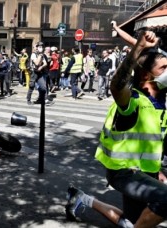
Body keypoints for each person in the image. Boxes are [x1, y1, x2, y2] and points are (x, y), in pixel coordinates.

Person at [66, 30, 167, 228]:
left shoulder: (161, 105)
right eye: (164, 67)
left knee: (131, 222)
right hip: (124, 172)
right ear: (147, 75)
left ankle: (82, 199)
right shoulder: (133, 101)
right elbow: (116, 86)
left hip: (146, 173)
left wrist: (159, 171)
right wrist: (138, 47)